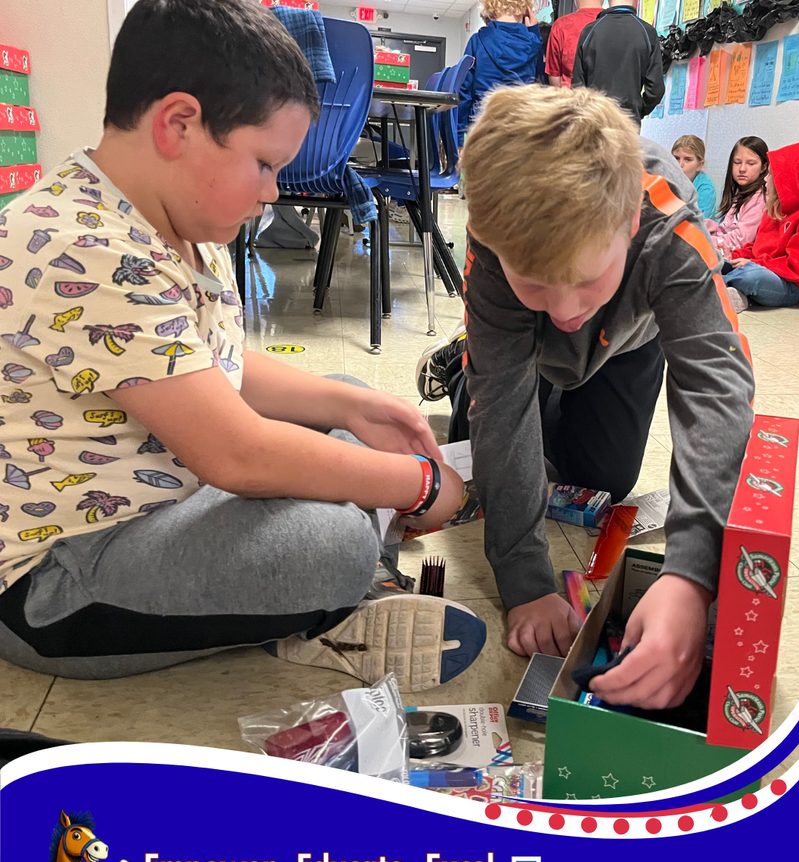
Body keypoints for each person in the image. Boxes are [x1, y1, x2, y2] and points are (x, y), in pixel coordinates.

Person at [0, 0, 486, 688]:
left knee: (348, 419)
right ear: (178, 124)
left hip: (166, 501)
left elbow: (211, 363)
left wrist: (349, 407)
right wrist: (422, 484)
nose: (273, 191)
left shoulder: (178, 221)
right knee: (336, 542)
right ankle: (325, 598)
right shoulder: (79, 247)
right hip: (62, 581)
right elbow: (236, 453)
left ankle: (301, 596)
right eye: (263, 164)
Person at [419, 86, 755, 710]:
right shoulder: (496, 242)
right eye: (540, 283)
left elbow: (716, 386)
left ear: (629, 223)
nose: (568, 308)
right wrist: (524, 580)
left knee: (603, 477)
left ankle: (541, 380)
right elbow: (505, 401)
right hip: (516, 343)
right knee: (487, 437)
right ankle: (461, 365)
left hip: (629, 342)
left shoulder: (668, 227)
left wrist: (691, 574)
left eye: (585, 278)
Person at [723, 142, 799, 312]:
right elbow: (757, 247)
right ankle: (740, 297)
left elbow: (797, 269)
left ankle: (708, 287)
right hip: (761, 268)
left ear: (788, 180)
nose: (765, 179)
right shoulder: (773, 208)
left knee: (751, 275)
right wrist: (734, 256)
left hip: (789, 286)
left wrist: (753, 263)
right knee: (718, 262)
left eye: (771, 175)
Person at [458, 1, 544, 147]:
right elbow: (541, 82)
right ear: (526, 9)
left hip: (484, 125)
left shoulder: (478, 41)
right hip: (522, 125)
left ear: (489, 9)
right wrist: (534, 30)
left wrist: (459, 137)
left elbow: (465, 90)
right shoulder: (533, 44)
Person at [571, 1, 664, 124]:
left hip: (595, 119)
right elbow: (656, 89)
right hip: (628, 120)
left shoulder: (589, 31)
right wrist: (637, 111)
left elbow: (577, 86)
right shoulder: (647, 32)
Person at [705, 136, 768, 259]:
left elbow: (742, 239)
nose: (742, 169)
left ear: (764, 167)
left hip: (737, 256)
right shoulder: (740, 192)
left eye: (751, 163)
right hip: (723, 248)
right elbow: (725, 228)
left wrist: (707, 241)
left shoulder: (760, 198)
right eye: (737, 162)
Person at [545, 0, 604, 89]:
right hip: (605, 101)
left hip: (570, 98)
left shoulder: (561, 25)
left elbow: (555, 77)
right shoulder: (613, 24)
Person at [672, 135, 717, 219]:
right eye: (676, 158)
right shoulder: (669, 179)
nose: (680, 164)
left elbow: (699, 222)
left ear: (699, 165)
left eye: (688, 159)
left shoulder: (705, 188)